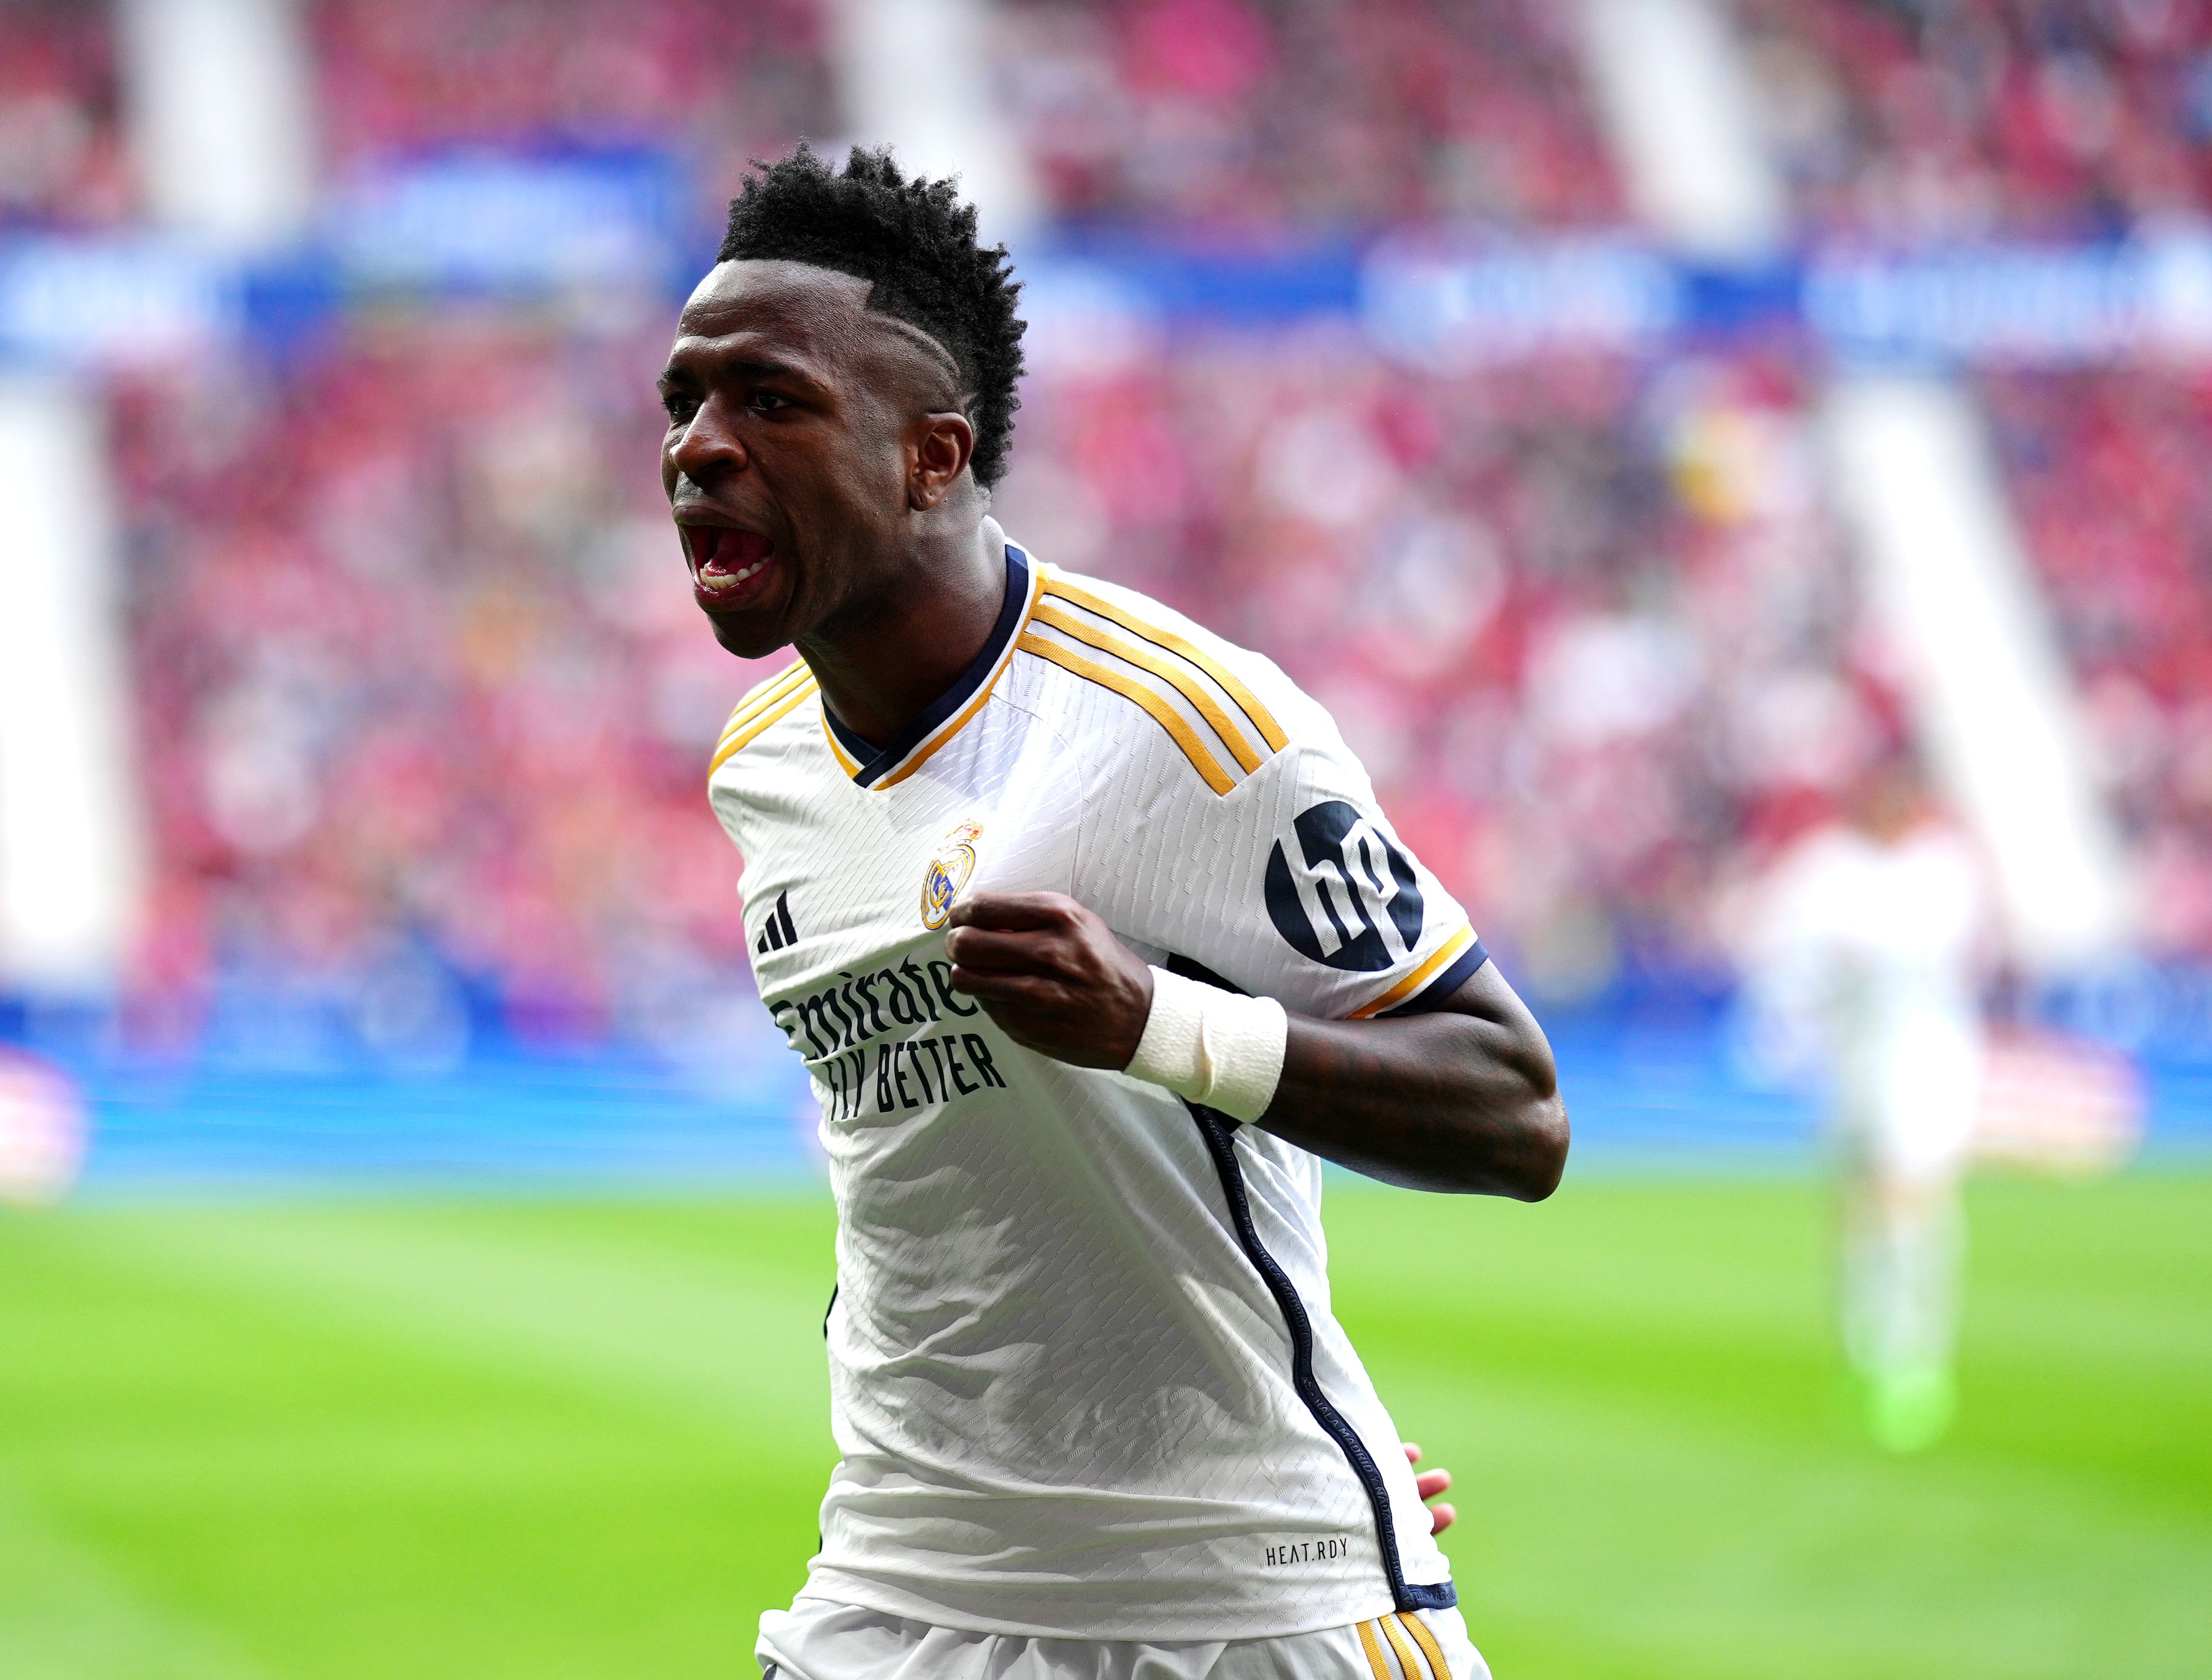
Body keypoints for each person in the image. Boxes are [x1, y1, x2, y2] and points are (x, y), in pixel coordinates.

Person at [667, 146, 1567, 1680]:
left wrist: (1160, 1024)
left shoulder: (1180, 725)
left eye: (769, 400)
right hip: (898, 1584)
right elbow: (929, 1169)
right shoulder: (762, 767)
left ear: (931, 455)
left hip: (1241, 1608)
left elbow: (1512, 1108)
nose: (698, 447)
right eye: (683, 400)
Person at [1746, 758, 1988, 1452]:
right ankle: (1865, 1350)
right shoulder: (1830, 867)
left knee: (1908, 1198)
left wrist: (1837, 951)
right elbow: (1786, 955)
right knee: (1855, 1210)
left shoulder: (1939, 869)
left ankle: (1912, 1360)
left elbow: (1901, 952)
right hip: (1850, 1060)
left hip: (1921, 1061)